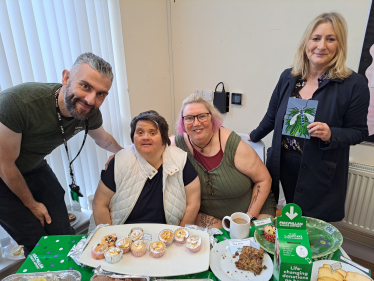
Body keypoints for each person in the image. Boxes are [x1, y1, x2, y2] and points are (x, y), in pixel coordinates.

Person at [249, 13, 370, 222]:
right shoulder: (289, 77)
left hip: (318, 168)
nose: (321, 46)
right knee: (279, 219)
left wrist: (331, 133)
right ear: (307, 42)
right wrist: (249, 137)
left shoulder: (354, 84)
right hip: (283, 163)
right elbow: (271, 115)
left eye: (330, 39)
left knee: (309, 228)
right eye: (316, 38)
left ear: (339, 45)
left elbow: (359, 132)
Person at [0, 53, 123, 255]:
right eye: (85, 86)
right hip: (3, 171)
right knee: (36, 238)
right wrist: (31, 204)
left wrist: (126, 154)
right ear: (66, 78)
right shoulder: (18, 103)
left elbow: (102, 139)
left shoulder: (89, 113)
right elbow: (5, 165)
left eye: (101, 94)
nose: (91, 100)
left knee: (62, 231)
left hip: (34, 165)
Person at [171, 94, 276, 229]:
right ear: (183, 123)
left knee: (255, 245)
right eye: (189, 118)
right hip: (212, 218)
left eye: (202, 116)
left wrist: (248, 218)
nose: (196, 123)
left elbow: (264, 180)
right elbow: (152, 146)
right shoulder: (177, 144)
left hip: (253, 211)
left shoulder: (232, 144)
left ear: (212, 118)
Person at [90, 110, 200, 231]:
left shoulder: (181, 160)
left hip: (168, 237)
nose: (145, 137)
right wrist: (110, 239)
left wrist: (179, 235)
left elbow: (193, 203)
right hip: (124, 238)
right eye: (140, 132)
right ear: (133, 136)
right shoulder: (119, 161)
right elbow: (99, 204)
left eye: (152, 133)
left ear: (163, 137)